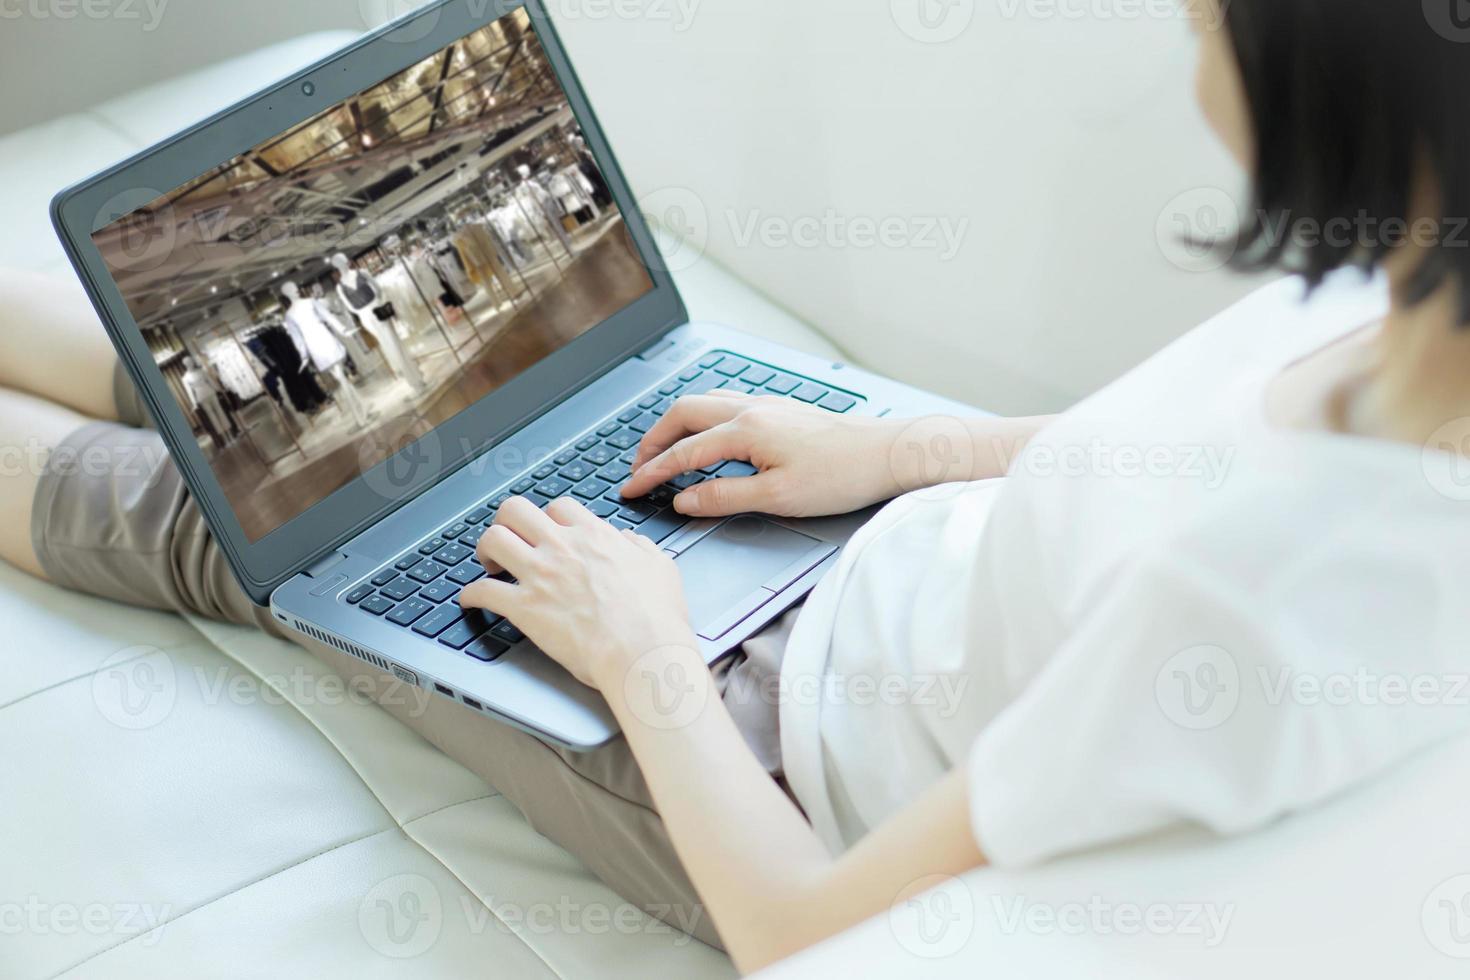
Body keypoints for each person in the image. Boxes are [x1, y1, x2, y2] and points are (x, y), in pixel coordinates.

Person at [1, 1, 1467, 972]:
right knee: (296, 420)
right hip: (870, 545)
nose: (1185, 31)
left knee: (255, 533)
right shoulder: (1404, 302)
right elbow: (1177, 461)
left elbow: (808, 931)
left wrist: (645, 659)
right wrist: (902, 452)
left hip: (767, 769)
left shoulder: (1254, 606)